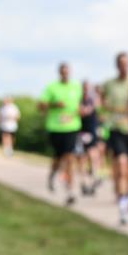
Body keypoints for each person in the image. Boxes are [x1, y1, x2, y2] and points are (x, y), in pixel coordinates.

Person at [100, 52, 128, 225]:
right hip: (116, 129)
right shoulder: (109, 84)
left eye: (127, 63)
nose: (124, 66)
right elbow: (101, 101)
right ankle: (123, 208)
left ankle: (127, 197)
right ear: (117, 65)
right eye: (121, 63)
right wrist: (107, 113)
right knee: (122, 166)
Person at [39, 62, 83, 206]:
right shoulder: (52, 87)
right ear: (59, 73)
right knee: (58, 158)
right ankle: (52, 174)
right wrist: (54, 105)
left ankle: (70, 190)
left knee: (70, 158)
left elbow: (79, 105)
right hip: (55, 127)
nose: (65, 74)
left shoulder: (76, 87)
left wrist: (80, 111)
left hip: (72, 127)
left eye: (67, 71)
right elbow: (41, 105)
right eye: (63, 71)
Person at [78, 80, 103, 196]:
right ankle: (84, 183)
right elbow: (80, 112)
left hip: (91, 131)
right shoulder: (78, 99)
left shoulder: (93, 100)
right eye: (85, 88)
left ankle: (94, 179)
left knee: (93, 156)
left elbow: (98, 106)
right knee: (82, 158)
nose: (86, 90)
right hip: (81, 131)